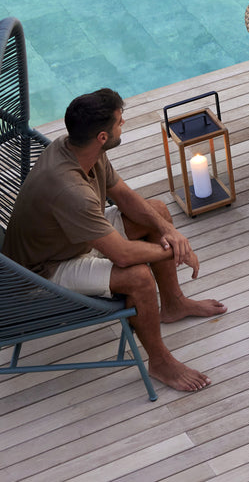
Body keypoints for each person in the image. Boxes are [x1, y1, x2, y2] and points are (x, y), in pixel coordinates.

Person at [1, 88, 226, 393]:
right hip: (44, 271)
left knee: (156, 211)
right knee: (138, 278)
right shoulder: (69, 190)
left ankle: (173, 304)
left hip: (73, 236)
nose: (124, 124)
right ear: (103, 137)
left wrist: (168, 230)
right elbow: (121, 255)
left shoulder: (83, 150)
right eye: (120, 122)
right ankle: (159, 361)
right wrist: (177, 251)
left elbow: (123, 195)